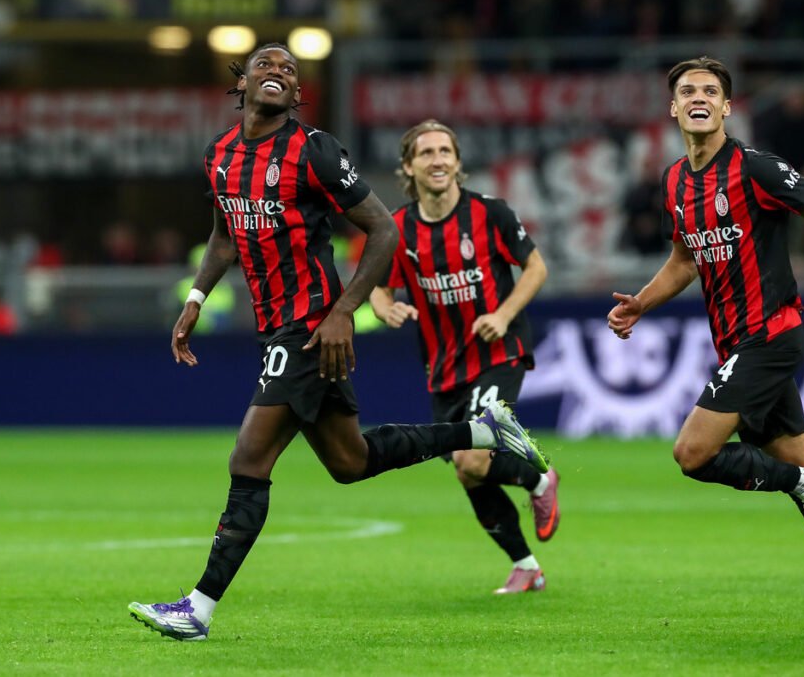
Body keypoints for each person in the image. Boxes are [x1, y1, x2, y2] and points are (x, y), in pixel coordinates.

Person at [128, 44, 548, 642]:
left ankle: (198, 607)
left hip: (310, 327)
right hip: (277, 325)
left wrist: (344, 312)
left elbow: (381, 230)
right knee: (351, 463)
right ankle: (482, 432)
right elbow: (224, 235)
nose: (278, 72)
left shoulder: (314, 150)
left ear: (298, 95)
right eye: (266, 65)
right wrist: (194, 301)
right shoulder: (219, 155)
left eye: (290, 70)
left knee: (248, 460)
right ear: (241, 81)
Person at [607, 57, 804, 633]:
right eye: (688, 90)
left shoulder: (756, 170)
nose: (699, 97)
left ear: (726, 107)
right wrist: (643, 302)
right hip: (736, 344)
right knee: (800, 478)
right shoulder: (674, 181)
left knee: (692, 454)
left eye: (711, 90)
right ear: (673, 108)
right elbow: (683, 259)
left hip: (772, 335)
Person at [369, 119, 559, 594]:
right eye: (426, 153)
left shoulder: (490, 214)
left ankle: (539, 478)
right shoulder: (397, 228)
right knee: (467, 472)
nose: (437, 160)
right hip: (444, 366)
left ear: (457, 162)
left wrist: (503, 312)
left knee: (472, 458)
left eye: (445, 151)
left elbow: (535, 268)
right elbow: (376, 286)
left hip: (499, 349)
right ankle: (526, 566)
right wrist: (387, 307)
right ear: (408, 167)